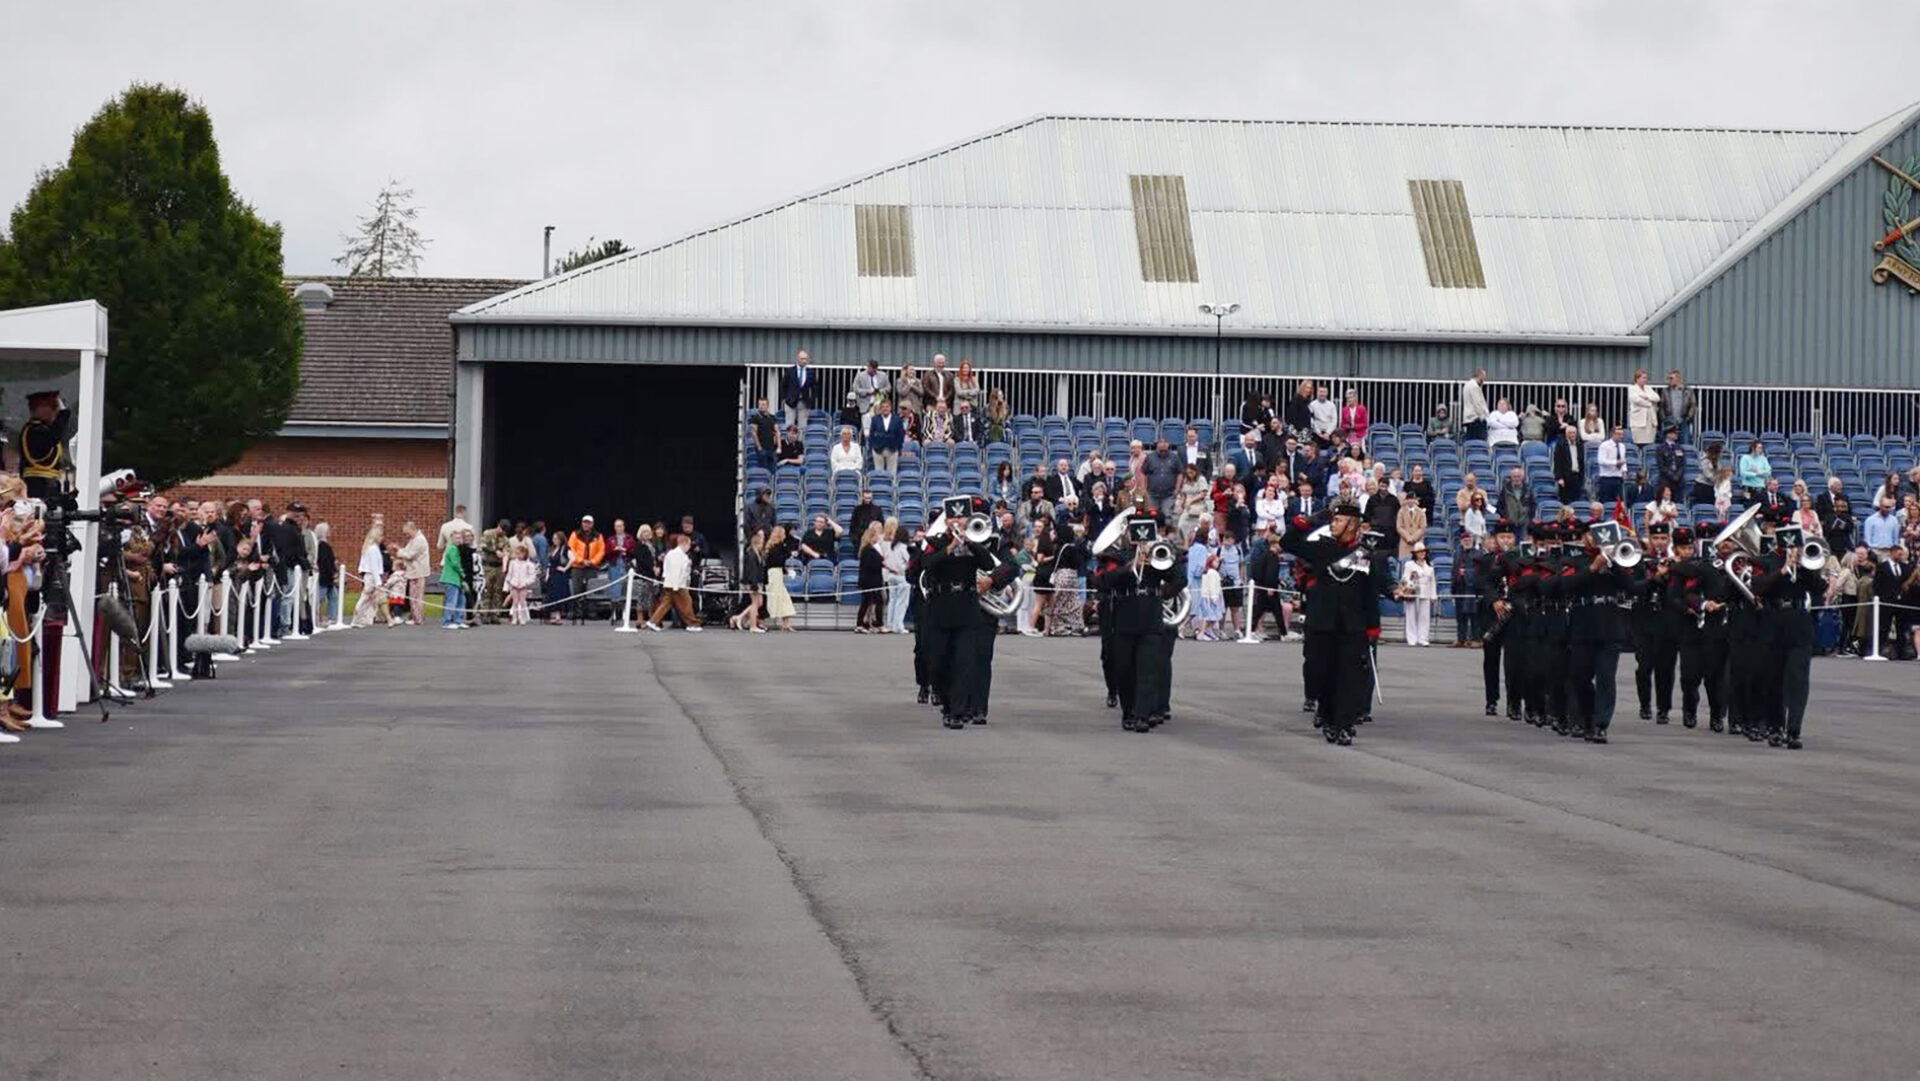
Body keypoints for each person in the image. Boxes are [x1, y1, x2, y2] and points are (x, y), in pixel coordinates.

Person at [1281, 500, 1379, 745]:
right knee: (1323, 674)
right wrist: (1310, 521)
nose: (1333, 524)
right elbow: (1288, 543)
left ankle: (1343, 725)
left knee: (1349, 676)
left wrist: (1373, 626)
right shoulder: (1322, 548)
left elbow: (1369, 593)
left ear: (1351, 524)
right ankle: (1327, 715)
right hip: (1322, 622)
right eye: (1333, 519)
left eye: (1338, 520)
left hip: (1352, 625)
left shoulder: (1363, 554)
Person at [920, 496, 1018, 728]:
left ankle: (974, 709)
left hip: (975, 607)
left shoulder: (993, 540)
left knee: (977, 659)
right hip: (944, 606)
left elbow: (1008, 566)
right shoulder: (936, 541)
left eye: (965, 517)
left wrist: (991, 579)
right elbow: (924, 566)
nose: (960, 521)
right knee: (942, 661)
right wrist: (952, 546)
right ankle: (954, 705)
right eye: (954, 517)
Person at [1091, 512, 1184, 731]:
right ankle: (1129, 712)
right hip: (1124, 617)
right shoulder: (1118, 556)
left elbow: (1180, 579)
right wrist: (1131, 566)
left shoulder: (1159, 554)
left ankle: (1142, 715)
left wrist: (1163, 589)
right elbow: (1101, 581)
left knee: (1147, 669)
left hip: (1151, 616)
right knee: (1124, 669)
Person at [1628, 524, 1681, 724]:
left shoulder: (1676, 563)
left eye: (1663, 538)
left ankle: (1663, 709)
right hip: (1644, 619)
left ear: (1668, 539)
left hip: (1667, 621)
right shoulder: (1639, 562)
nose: (1659, 542)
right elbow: (1634, 587)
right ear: (1649, 539)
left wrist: (1673, 571)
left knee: (1665, 668)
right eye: (1655, 538)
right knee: (1644, 666)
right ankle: (1645, 704)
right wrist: (1656, 578)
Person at [642, 534, 703, 632]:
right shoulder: (677, 555)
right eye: (688, 545)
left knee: (665, 604)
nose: (689, 547)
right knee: (686, 604)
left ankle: (653, 621)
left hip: (671, 583)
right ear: (683, 543)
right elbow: (676, 571)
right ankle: (692, 624)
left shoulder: (672, 554)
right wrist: (676, 586)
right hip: (677, 584)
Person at [1397, 543, 1437, 646]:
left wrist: (1433, 596)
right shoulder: (1409, 565)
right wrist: (1409, 586)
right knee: (1411, 615)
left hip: (1425, 593)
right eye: (1419, 552)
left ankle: (1423, 639)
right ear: (1415, 554)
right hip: (1412, 593)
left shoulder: (1430, 567)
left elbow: (1432, 582)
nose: (1422, 554)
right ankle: (1412, 639)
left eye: (1423, 552)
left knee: (1425, 617)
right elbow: (1405, 578)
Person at [352, 522, 388, 626]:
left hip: (371, 576)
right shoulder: (372, 549)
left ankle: (365, 618)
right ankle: (357, 618)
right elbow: (374, 567)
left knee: (370, 599)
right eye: (381, 535)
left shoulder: (371, 547)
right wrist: (378, 582)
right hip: (371, 576)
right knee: (365, 598)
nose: (382, 537)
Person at [764, 524, 797, 632]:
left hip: (777, 573)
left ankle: (786, 624)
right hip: (774, 574)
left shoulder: (777, 546)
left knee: (784, 598)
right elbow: (776, 561)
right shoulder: (776, 547)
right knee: (775, 597)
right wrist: (788, 554)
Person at [396, 520, 430, 625]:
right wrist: (401, 551)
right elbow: (406, 551)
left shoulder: (419, 540)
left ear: (412, 529)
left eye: (407, 533)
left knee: (416, 596)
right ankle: (415, 616)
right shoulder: (413, 539)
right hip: (413, 571)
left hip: (418, 572)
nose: (406, 535)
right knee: (413, 595)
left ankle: (417, 618)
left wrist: (399, 551)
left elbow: (409, 555)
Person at [855, 522, 886, 633]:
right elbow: (872, 564)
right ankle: (865, 623)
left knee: (870, 601)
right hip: (870, 580)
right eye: (876, 536)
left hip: (873, 579)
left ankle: (868, 623)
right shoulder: (868, 550)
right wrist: (883, 562)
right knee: (869, 601)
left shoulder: (869, 549)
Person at [882, 523, 911, 634]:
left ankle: (890, 623)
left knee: (893, 600)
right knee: (902, 602)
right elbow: (909, 561)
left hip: (891, 575)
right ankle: (898, 625)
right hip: (902, 576)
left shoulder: (891, 547)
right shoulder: (904, 547)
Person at [779, 348, 817, 430]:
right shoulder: (790, 371)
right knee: (789, 425)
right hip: (790, 402)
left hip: (804, 402)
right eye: (802, 359)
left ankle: (800, 442)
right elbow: (783, 385)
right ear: (797, 359)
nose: (804, 361)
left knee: (802, 427)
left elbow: (814, 387)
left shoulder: (810, 372)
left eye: (806, 359)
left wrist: (812, 400)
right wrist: (785, 399)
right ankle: (789, 442)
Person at [439, 531, 469, 629]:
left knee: (461, 600)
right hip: (451, 578)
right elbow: (455, 563)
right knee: (451, 600)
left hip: (458, 580)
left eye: (460, 538)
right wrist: (463, 573)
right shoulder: (452, 548)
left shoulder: (458, 549)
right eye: (456, 538)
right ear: (451, 539)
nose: (459, 540)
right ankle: (447, 621)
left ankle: (458, 620)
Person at [504, 541, 538, 625]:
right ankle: (514, 618)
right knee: (515, 602)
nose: (518, 555)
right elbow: (509, 574)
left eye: (519, 553)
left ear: (524, 554)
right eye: (516, 553)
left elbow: (532, 576)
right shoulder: (512, 563)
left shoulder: (529, 564)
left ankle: (522, 617)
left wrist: (525, 583)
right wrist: (510, 583)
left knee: (522, 602)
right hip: (514, 585)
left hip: (523, 585)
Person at [867, 399, 904, 474]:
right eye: (883, 407)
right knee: (878, 473)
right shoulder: (875, 419)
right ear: (880, 409)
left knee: (892, 473)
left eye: (887, 407)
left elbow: (900, 434)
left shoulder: (897, 420)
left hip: (893, 449)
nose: (885, 409)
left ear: (890, 408)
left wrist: (898, 447)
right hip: (878, 449)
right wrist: (873, 447)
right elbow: (871, 434)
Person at [1595, 424, 1629, 504]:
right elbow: (1601, 461)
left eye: (1622, 434)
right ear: (1613, 434)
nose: (1621, 436)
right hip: (1607, 478)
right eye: (1619, 434)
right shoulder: (1604, 445)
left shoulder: (1622, 446)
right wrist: (1616, 462)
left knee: (1618, 503)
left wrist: (1624, 470)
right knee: (1606, 501)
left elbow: (1622, 459)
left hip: (1618, 478)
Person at [1661, 370, 1695, 446]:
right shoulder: (1665, 391)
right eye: (1669, 378)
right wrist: (1664, 418)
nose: (1669, 380)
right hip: (1669, 421)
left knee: (1685, 443)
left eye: (1671, 378)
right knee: (1668, 444)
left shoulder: (1688, 391)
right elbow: (1662, 406)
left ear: (1678, 379)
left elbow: (1692, 405)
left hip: (1683, 420)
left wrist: (1688, 418)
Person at [1552, 425, 1584, 503]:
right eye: (1570, 433)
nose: (1572, 435)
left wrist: (1582, 477)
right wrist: (1559, 478)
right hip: (1565, 477)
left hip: (1576, 476)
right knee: (1565, 501)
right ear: (1566, 434)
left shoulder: (1579, 445)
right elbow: (1557, 462)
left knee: (1576, 500)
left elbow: (1582, 462)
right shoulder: (1560, 445)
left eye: (1574, 433)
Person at [1460, 368, 1490, 442]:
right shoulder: (1474, 386)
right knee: (1479, 443)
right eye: (1484, 377)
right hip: (1475, 420)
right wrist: (1483, 416)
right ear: (1480, 376)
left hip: (1469, 420)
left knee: (1470, 442)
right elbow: (1478, 403)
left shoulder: (1467, 385)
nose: (1484, 380)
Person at [749, 396, 779, 471]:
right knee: (764, 471)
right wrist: (759, 447)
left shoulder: (773, 418)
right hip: (762, 448)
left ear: (767, 406)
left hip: (772, 449)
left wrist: (778, 446)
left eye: (763, 404)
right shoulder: (755, 418)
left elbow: (777, 431)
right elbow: (753, 433)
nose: (761, 406)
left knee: (773, 471)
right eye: (759, 404)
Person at [1395, 494, 1428, 559]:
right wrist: (1408, 537)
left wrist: (1413, 538)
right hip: (1405, 542)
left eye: (1412, 499)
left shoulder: (1421, 512)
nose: (1410, 501)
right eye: (1409, 499)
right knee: (1404, 561)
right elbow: (1399, 527)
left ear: (1415, 500)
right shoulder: (1401, 512)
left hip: (1417, 542)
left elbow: (1423, 527)